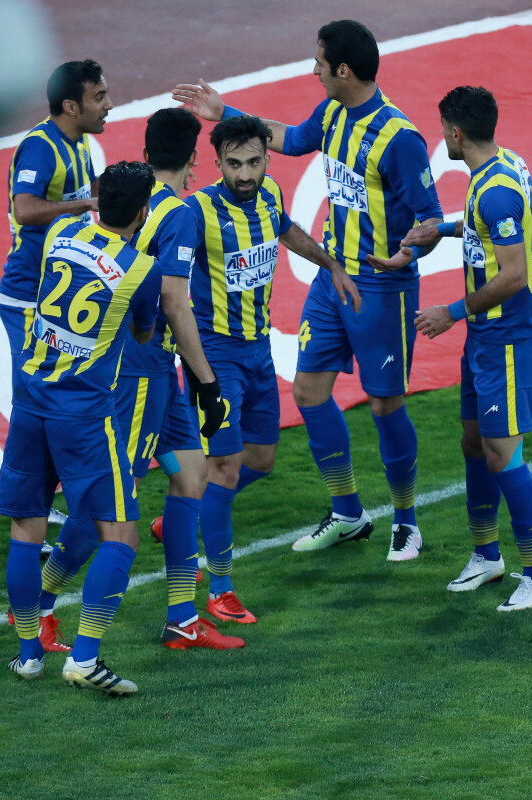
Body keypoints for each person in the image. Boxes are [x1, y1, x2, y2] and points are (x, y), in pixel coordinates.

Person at [173, 19, 443, 561]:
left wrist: (407, 255)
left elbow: (431, 218)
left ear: (343, 69)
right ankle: (348, 513)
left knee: (385, 405)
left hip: (382, 289)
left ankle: (406, 521)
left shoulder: (401, 140)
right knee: (309, 393)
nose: (313, 68)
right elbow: (292, 139)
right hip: (332, 279)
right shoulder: (333, 113)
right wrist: (224, 114)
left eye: (319, 61)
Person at [36, 108, 243, 651]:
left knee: (191, 477)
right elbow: (174, 302)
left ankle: (182, 617)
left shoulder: (124, 199)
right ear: (195, 158)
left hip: (154, 372)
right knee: (107, 504)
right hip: (138, 374)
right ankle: (38, 603)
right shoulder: (177, 213)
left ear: (147, 153)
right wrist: (208, 383)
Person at [0, 161, 163, 696]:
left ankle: (28, 656)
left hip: (30, 400)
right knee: (121, 534)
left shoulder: (60, 233)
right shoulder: (141, 269)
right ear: (143, 212)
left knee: (26, 530)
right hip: (84, 415)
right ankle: (85, 658)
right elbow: (143, 331)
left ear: (96, 199)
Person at [183, 114, 361, 615]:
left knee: (259, 461)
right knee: (224, 469)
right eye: (234, 164)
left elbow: (286, 230)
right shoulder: (196, 212)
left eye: (254, 162)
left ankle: (185, 512)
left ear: (267, 157)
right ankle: (219, 590)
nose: (245, 174)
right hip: (214, 359)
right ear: (217, 163)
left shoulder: (270, 195)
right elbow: (161, 273)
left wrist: (331, 264)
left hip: (258, 352)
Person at [412, 86, 532, 611]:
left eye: (442, 129)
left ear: (455, 132)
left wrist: (450, 312)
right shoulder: (502, 164)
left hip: (508, 340)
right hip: (485, 338)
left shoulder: (495, 191)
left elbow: (513, 274)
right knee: (474, 442)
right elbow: (488, 231)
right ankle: (486, 555)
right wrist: (443, 229)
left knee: (502, 454)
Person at [0, 59, 113, 653]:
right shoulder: (42, 147)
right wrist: (83, 204)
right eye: (99, 96)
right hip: (25, 301)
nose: (107, 104)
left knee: (49, 405)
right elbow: (24, 210)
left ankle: (38, 516)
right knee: (39, 405)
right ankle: (34, 514)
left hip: (50, 300)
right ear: (71, 106)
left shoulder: (80, 147)